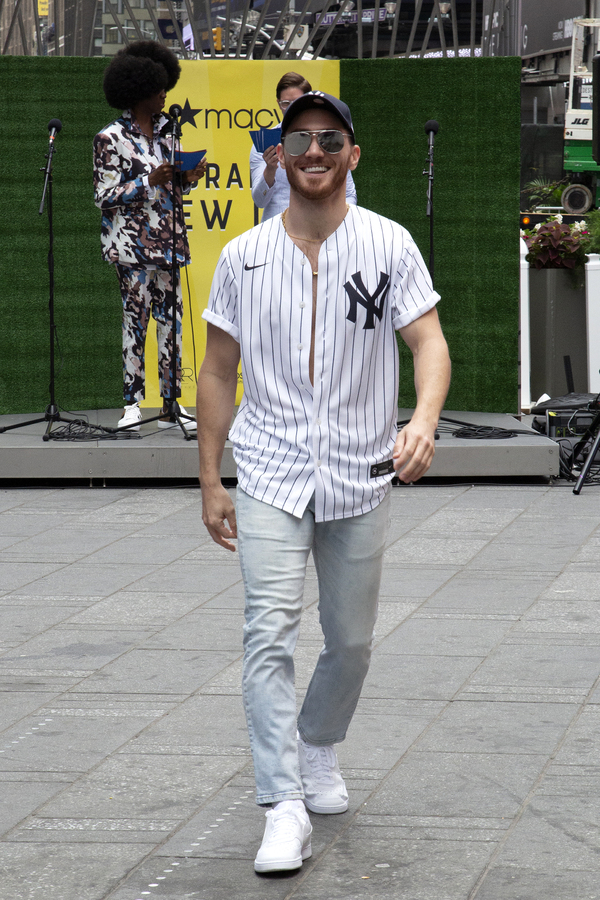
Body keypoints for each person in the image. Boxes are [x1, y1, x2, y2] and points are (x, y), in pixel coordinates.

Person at [196, 92, 451, 874]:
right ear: (280, 152)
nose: (314, 151)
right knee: (267, 631)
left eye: (329, 139)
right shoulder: (243, 256)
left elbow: (429, 343)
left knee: (350, 640)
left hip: (361, 470)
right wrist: (210, 478)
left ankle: (317, 746)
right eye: (299, 138)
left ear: (352, 154)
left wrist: (424, 420)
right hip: (270, 467)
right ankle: (281, 804)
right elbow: (215, 371)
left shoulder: (389, 244)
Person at [93, 40, 206, 432]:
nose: (164, 95)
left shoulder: (167, 134)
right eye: (159, 89)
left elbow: (170, 190)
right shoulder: (110, 138)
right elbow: (103, 196)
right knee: (135, 324)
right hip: (131, 250)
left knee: (171, 324)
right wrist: (147, 180)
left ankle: (172, 405)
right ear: (139, 91)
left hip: (170, 247)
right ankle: (132, 405)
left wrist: (186, 180)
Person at [250, 71, 357, 220]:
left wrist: (340, 223)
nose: (289, 108)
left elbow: (349, 193)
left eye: (296, 103)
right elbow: (259, 200)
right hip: (278, 229)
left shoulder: (330, 140)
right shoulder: (263, 144)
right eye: (285, 103)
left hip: (324, 227)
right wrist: (270, 169)